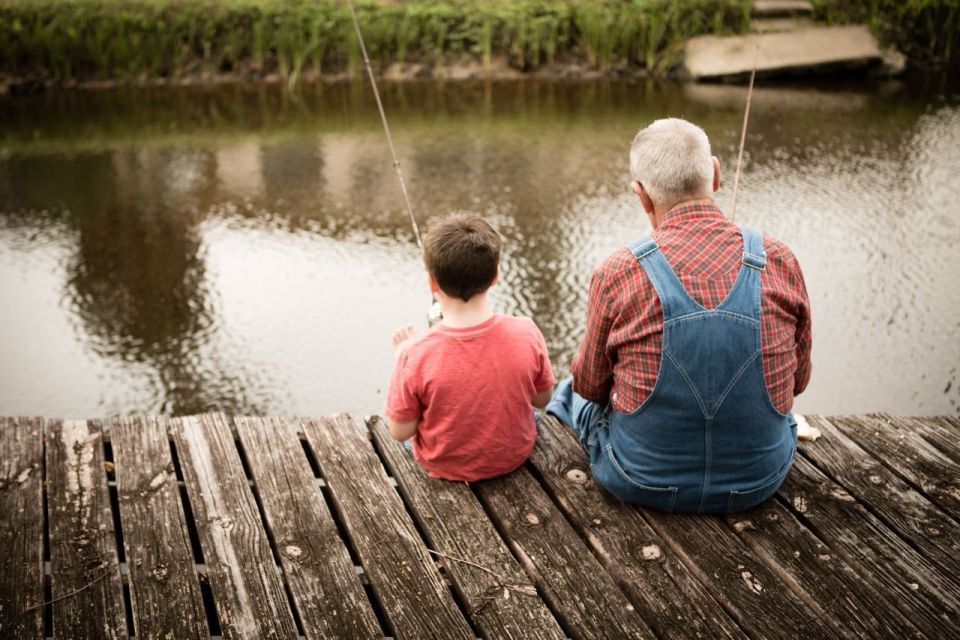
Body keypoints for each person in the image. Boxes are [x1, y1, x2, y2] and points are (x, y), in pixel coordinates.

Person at [547, 118, 812, 514]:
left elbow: (591, 386)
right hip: (759, 479)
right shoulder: (779, 259)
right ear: (716, 174)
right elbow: (799, 381)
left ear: (641, 196)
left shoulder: (618, 271)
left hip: (639, 479)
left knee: (571, 389)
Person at [385, 213, 555, 481]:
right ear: (495, 276)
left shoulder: (413, 353)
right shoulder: (526, 330)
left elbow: (399, 431)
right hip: (514, 455)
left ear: (432, 283)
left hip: (445, 467)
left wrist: (402, 357)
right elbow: (542, 400)